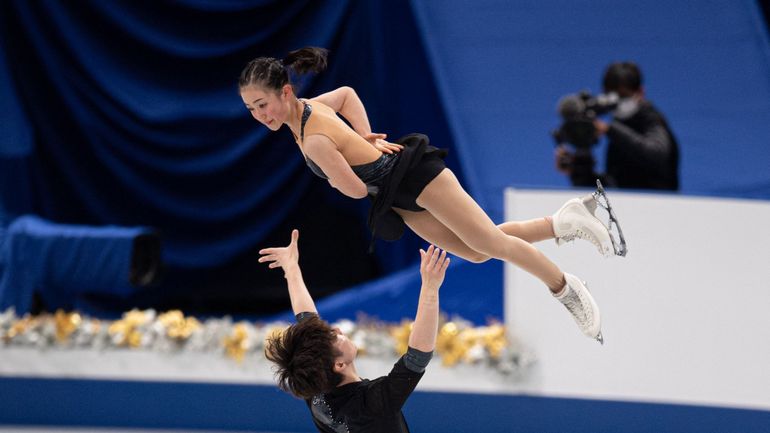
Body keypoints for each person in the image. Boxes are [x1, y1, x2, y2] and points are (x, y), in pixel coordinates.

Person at [239, 47, 624, 342]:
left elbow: (356, 191)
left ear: (285, 91)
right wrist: (362, 137)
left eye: (263, 104)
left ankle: (565, 287)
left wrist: (336, 169)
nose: (260, 114)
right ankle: (563, 222)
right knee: (475, 251)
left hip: (415, 175)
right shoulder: (305, 111)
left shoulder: (314, 140)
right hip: (398, 195)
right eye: (251, 108)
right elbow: (346, 96)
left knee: (491, 242)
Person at [260, 229, 449, 432]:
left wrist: (291, 269)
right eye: (336, 337)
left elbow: (306, 318)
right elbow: (417, 356)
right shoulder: (372, 404)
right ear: (339, 364)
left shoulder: (315, 386)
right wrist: (430, 289)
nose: (339, 330)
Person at [557, 61, 680, 190]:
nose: (617, 103)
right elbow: (613, 188)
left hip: (661, 206)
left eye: (623, 95)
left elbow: (656, 155)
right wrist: (577, 169)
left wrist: (610, 130)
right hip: (626, 207)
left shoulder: (652, 119)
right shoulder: (618, 125)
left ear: (641, 92)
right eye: (612, 97)